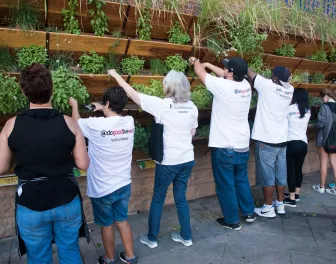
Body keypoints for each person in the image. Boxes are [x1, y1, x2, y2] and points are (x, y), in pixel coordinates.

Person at [0, 63, 90, 264]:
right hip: (66, 199)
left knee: (38, 258)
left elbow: (1, 166)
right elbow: (83, 164)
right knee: (70, 251)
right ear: (52, 89)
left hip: (30, 204)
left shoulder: (11, 125)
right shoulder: (69, 123)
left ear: (24, 92)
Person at [108, 69, 198, 248]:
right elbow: (192, 132)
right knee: (180, 197)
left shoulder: (162, 105)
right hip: (187, 158)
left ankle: (152, 238)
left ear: (170, 87)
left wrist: (116, 75)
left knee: (158, 198)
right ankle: (186, 237)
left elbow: (132, 94)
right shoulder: (192, 107)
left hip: (168, 162)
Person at [69, 86, 138, 264]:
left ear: (107, 103)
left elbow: (76, 124)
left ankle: (109, 258)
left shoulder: (96, 125)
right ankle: (130, 257)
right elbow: (114, 118)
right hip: (123, 184)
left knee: (106, 224)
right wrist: (102, 107)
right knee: (122, 220)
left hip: (102, 189)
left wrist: (75, 106)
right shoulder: (129, 122)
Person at [189, 56, 256, 230]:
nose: (224, 70)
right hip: (242, 144)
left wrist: (196, 61)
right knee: (241, 180)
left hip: (225, 146)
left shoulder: (223, 87)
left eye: (226, 68)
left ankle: (232, 221)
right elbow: (225, 75)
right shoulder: (246, 87)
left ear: (231, 73)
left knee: (226, 184)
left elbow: (199, 73)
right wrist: (210, 64)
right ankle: (249, 213)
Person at [247, 66, 294, 218]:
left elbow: (250, 73)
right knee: (280, 174)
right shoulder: (290, 90)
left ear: (274, 78)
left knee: (267, 176)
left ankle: (268, 207)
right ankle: (280, 204)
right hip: (282, 141)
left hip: (266, 140)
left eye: (272, 75)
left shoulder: (267, 86)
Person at [313, 87, 336, 196]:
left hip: (323, 139)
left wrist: (316, 124)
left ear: (326, 96)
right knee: (334, 164)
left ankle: (321, 187)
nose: (321, 100)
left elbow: (321, 123)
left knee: (323, 163)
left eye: (322, 97)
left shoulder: (324, 107)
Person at [283, 88, 311, 207]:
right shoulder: (307, 110)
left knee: (290, 170)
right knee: (298, 169)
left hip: (291, 142)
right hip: (303, 143)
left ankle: (292, 198)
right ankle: (297, 194)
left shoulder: (289, 109)